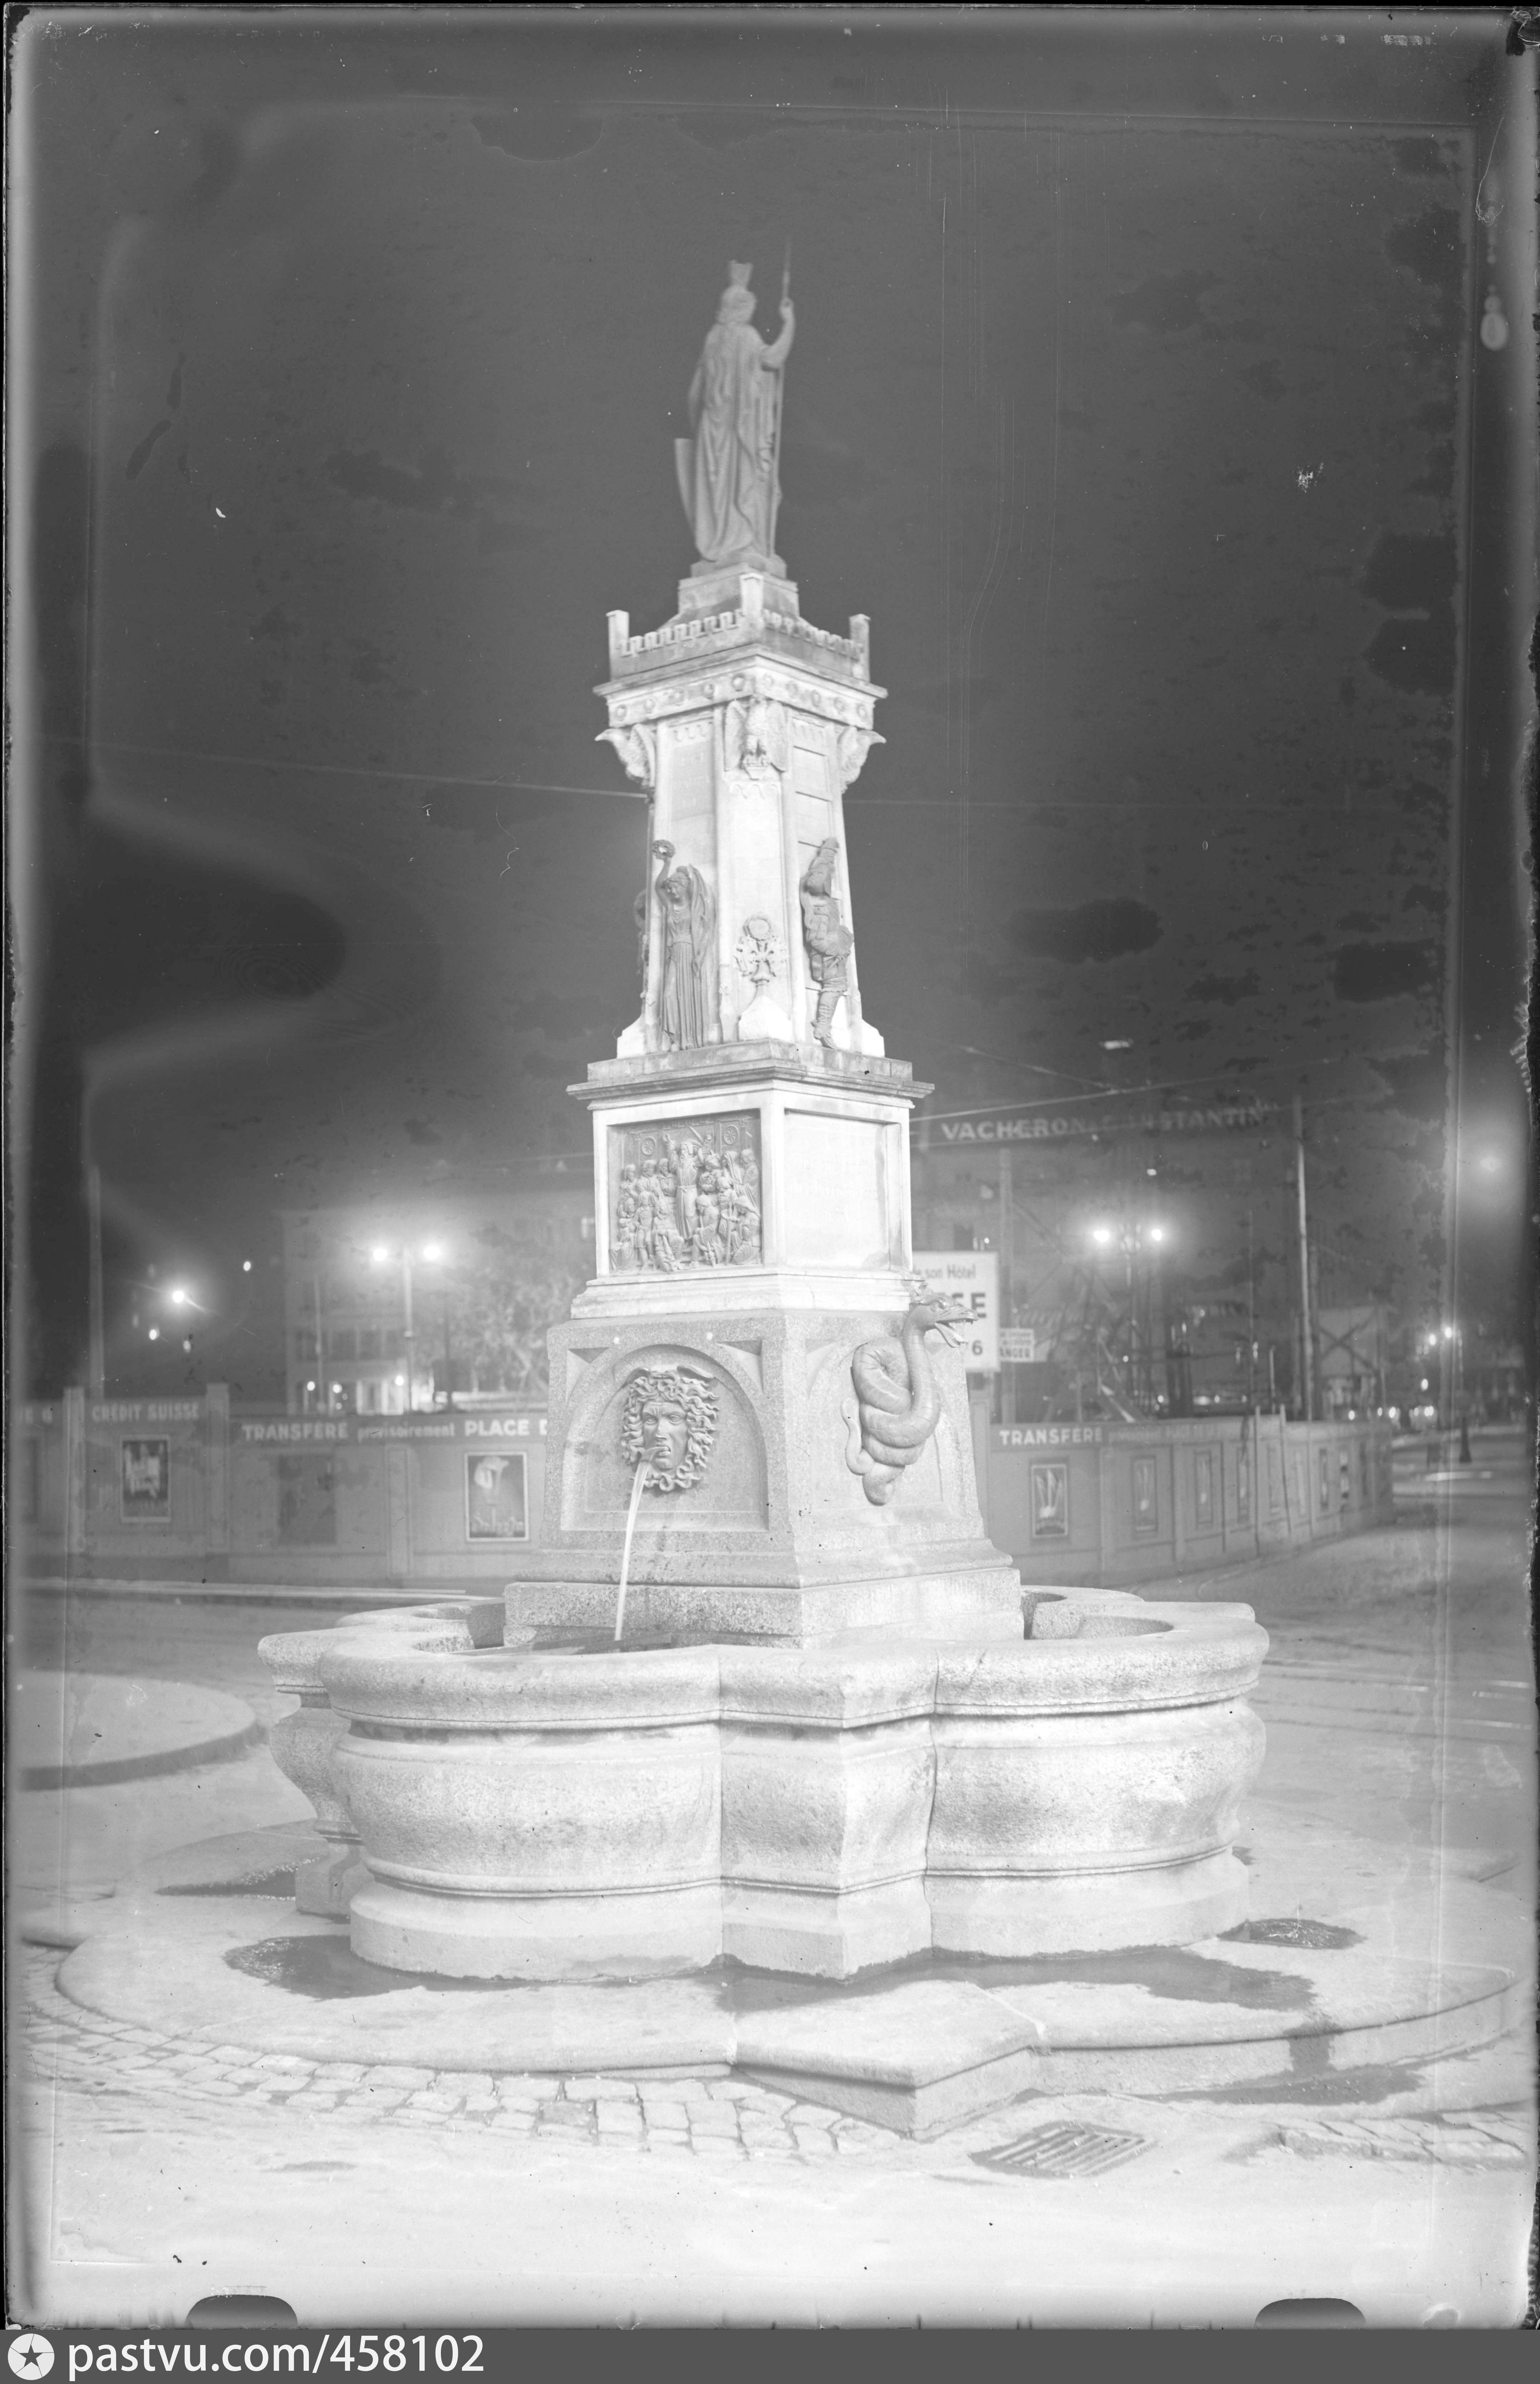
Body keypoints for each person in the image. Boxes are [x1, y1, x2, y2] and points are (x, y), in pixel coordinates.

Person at [674, 263, 795, 568]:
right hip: (742, 431)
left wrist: (701, 428)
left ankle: (722, 546)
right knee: (747, 483)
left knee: (719, 491)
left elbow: (693, 393)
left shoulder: (712, 339)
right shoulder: (747, 336)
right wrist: (789, 322)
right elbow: (773, 359)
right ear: (742, 310)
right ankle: (745, 544)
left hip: (712, 432)